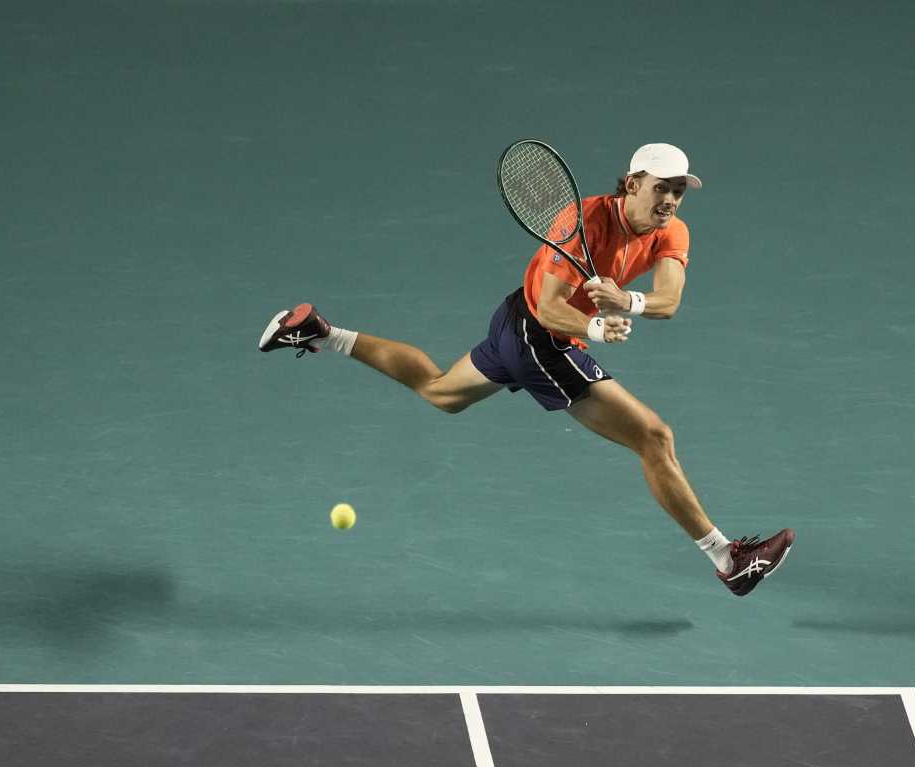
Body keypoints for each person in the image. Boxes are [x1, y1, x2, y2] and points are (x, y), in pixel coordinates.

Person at [259, 143, 794, 596]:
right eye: (662, 187)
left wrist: (623, 304)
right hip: (537, 334)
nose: (672, 199)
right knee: (654, 437)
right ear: (632, 184)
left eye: (679, 190)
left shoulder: (671, 231)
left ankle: (321, 334)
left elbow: (668, 300)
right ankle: (729, 561)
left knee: (441, 392)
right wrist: (592, 329)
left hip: (520, 327)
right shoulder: (579, 221)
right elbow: (548, 307)